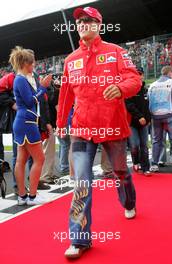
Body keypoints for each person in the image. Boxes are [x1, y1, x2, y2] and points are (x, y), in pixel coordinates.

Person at [56, 7, 141, 259]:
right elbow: (65, 95)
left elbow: (134, 78)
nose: (82, 24)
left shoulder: (117, 52)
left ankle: (128, 202)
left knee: (120, 172)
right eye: (79, 21)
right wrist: (62, 122)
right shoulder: (71, 60)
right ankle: (79, 239)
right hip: (81, 129)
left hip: (113, 125)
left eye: (87, 20)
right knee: (82, 181)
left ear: (99, 24)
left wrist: (121, 87)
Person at [9, 46, 52, 205]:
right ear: (26, 63)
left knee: (21, 159)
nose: (34, 65)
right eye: (33, 63)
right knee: (39, 158)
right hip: (27, 122)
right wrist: (42, 88)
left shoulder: (20, 78)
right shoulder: (20, 79)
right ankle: (32, 196)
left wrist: (39, 89)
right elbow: (30, 101)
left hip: (24, 121)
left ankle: (22, 196)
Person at [148, 65, 172, 172]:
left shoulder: (152, 85)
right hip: (170, 114)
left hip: (156, 116)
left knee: (156, 140)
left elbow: (149, 100)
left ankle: (154, 163)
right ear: (170, 73)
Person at [125, 67, 151, 176]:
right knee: (134, 145)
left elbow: (148, 106)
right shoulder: (129, 90)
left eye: (140, 74)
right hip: (132, 123)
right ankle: (136, 162)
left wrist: (148, 119)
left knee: (144, 145)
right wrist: (140, 116)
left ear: (143, 75)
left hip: (144, 123)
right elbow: (129, 105)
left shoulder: (146, 90)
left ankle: (146, 168)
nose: (139, 76)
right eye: (137, 74)